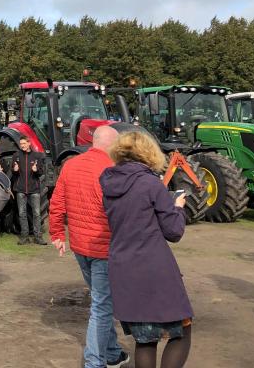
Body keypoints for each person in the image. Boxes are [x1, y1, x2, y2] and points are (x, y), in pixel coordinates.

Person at [100, 131, 193, 368]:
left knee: (145, 341)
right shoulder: (150, 183)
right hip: (153, 267)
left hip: (123, 267)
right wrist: (178, 207)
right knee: (181, 330)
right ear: (149, 152)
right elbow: (174, 231)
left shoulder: (108, 182)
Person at [49, 125, 129, 368]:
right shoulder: (113, 169)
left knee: (100, 300)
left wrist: (56, 233)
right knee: (102, 305)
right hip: (103, 247)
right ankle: (94, 362)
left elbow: (57, 201)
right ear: (112, 145)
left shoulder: (71, 165)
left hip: (80, 246)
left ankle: (113, 352)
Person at [11, 135, 45, 244]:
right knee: (22, 214)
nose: (22, 146)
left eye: (24, 144)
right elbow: (13, 171)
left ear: (29, 143)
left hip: (34, 189)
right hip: (20, 189)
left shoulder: (37, 156)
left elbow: (41, 172)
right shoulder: (16, 155)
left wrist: (36, 170)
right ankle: (24, 237)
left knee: (37, 214)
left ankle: (38, 237)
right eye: (21, 144)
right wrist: (14, 169)